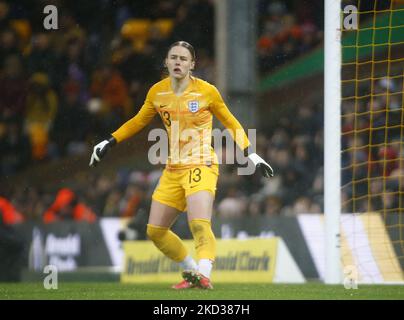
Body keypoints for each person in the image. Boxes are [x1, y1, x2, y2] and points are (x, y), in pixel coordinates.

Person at [89, 41, 273, 290]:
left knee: (198, 223)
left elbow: (231, 123)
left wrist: (250, 154)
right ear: (166, 62)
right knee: (155, 231)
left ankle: (204, 273)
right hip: (173, 169)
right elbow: (137, 122)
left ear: (192, 65)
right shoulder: (157, 92)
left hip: (202, 164)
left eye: (183, 59)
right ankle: (191, 271)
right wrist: (109, 141)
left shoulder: (207, 92)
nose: (178, 62)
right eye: (173, 57)